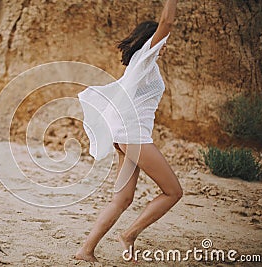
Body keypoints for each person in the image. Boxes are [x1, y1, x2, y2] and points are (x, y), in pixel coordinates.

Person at [75, 0, 183, 262]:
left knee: (122, 199)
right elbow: (167, 22)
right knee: (173, 192)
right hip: (134, 136)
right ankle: (130, 234)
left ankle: (85, 250)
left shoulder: (141, 62)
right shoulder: (145, 57)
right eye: (161, 39)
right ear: (150, 39)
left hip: (125, 136)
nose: (165, 44)